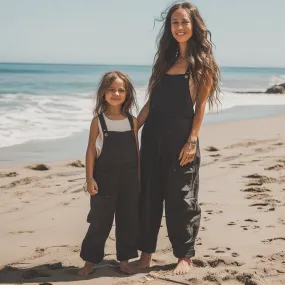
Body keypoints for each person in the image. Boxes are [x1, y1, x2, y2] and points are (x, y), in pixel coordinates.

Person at [136, 2, 221, 275]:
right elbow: (151, 103)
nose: (179, 27)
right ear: (169, 27)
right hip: (152, 139)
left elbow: (200, 106)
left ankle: (184, 255)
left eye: (184, 22)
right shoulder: (164, 61)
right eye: (174, 22)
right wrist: (133, 127)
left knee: (181, 199)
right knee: (148, 196)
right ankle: (146, 253)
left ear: (194, 25)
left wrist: (192, 139)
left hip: (181, 140)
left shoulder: (202, 63)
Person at [78, 71, 140, 276]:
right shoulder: (99, 121)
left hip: (129, 180)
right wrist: (89, 178)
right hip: (104, 180)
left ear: (127, 94)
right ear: (103, 93)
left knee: (127, 220)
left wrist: (139, 179)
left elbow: (136, 152)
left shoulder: (133, 121)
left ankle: (124, 261)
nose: (116, 93)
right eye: (111, 90)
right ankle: (90, 261)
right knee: (99, 221)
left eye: (121, 90)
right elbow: (90, 150)